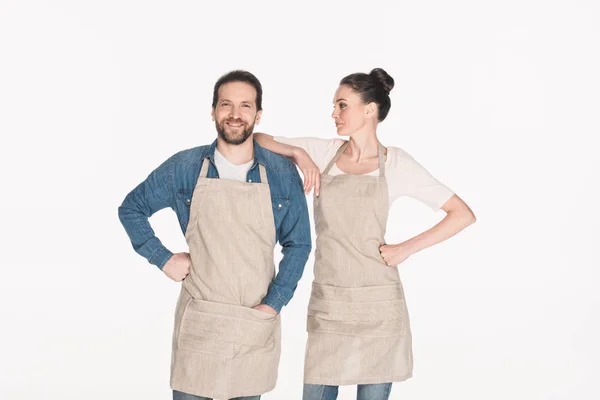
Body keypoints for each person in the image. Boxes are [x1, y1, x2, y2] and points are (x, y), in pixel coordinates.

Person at [254, 68, 476, 400]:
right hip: (330, 302)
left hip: (378, 306)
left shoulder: (396, 163)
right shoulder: (325, 152)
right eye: (334, 106)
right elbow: (258, 140)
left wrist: (406, 248)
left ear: (369, 109)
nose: (334, 113)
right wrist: (299, 154)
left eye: (342, 105)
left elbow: (462, 214)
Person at [118, 70, 312, 400]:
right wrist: (162, 258)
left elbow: (300, 243)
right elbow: (131, 208)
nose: (235, 114)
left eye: (245, 106)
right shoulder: (184, 166)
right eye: (226, 104)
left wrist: (274, 303)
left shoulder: (281, 173)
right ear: (213, 111)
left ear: (258, 115)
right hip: (201, 323)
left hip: (253, 320)